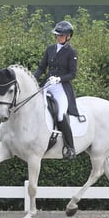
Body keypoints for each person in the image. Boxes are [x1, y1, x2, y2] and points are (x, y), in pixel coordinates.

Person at [34, 20, 79, 160]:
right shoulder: (50, 49)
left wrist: (59, 79)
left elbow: (73, 74)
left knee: (60, 115)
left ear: (68, 36)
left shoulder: (71, 52)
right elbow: (42, 67)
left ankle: (70, 147)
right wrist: (33, 78)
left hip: (61, 88)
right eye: (57, 35)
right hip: (48, 84)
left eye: (61, 35)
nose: (58, 37)